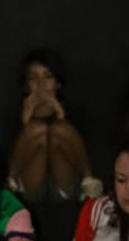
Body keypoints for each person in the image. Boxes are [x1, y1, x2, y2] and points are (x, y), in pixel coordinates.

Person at [7, 49, 96, 204]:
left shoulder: (75, 109)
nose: (41, 85)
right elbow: (12, 154)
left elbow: (77, 151)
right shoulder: (12, 112)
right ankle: (9, 184)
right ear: (26, 85)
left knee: (59, 129)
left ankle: (90, 183)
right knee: (37, 130)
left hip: (63, 185)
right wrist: (25, 122)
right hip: (29, 187)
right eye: (33, 78)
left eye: (48, 77)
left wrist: (60, 113)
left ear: (58, 83)